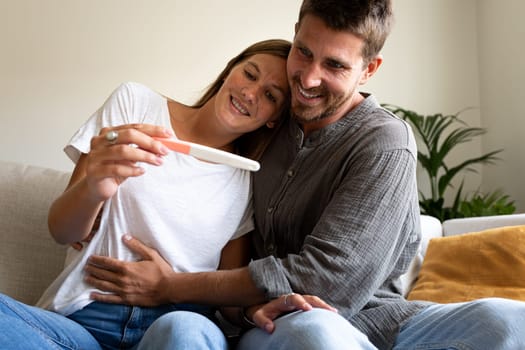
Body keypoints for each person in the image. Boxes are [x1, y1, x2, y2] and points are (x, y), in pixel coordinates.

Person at [52, 1, 525, 350]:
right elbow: (76, 226)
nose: (309, 78)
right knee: (317, 333)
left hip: (374, 319)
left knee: (508, 320)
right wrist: (98, 181)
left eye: (335, 65)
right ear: (295, 33)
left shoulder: (383, 142)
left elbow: (330, 280)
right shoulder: (264, 130)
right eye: (304, 52)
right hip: (284, 324)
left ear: (369, 69)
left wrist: (171, 286)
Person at [0, 39, 333, 350]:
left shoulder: (248, 179)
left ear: (275, 120)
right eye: (249, 73)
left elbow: (228, 297)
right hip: (83, 322)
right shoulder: (136, 104)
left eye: (271, 95)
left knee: (185, 331)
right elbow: (64, 232)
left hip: (175, 325)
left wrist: (255, 310)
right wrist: (94, 188)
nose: (249, 92)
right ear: (231, 69)